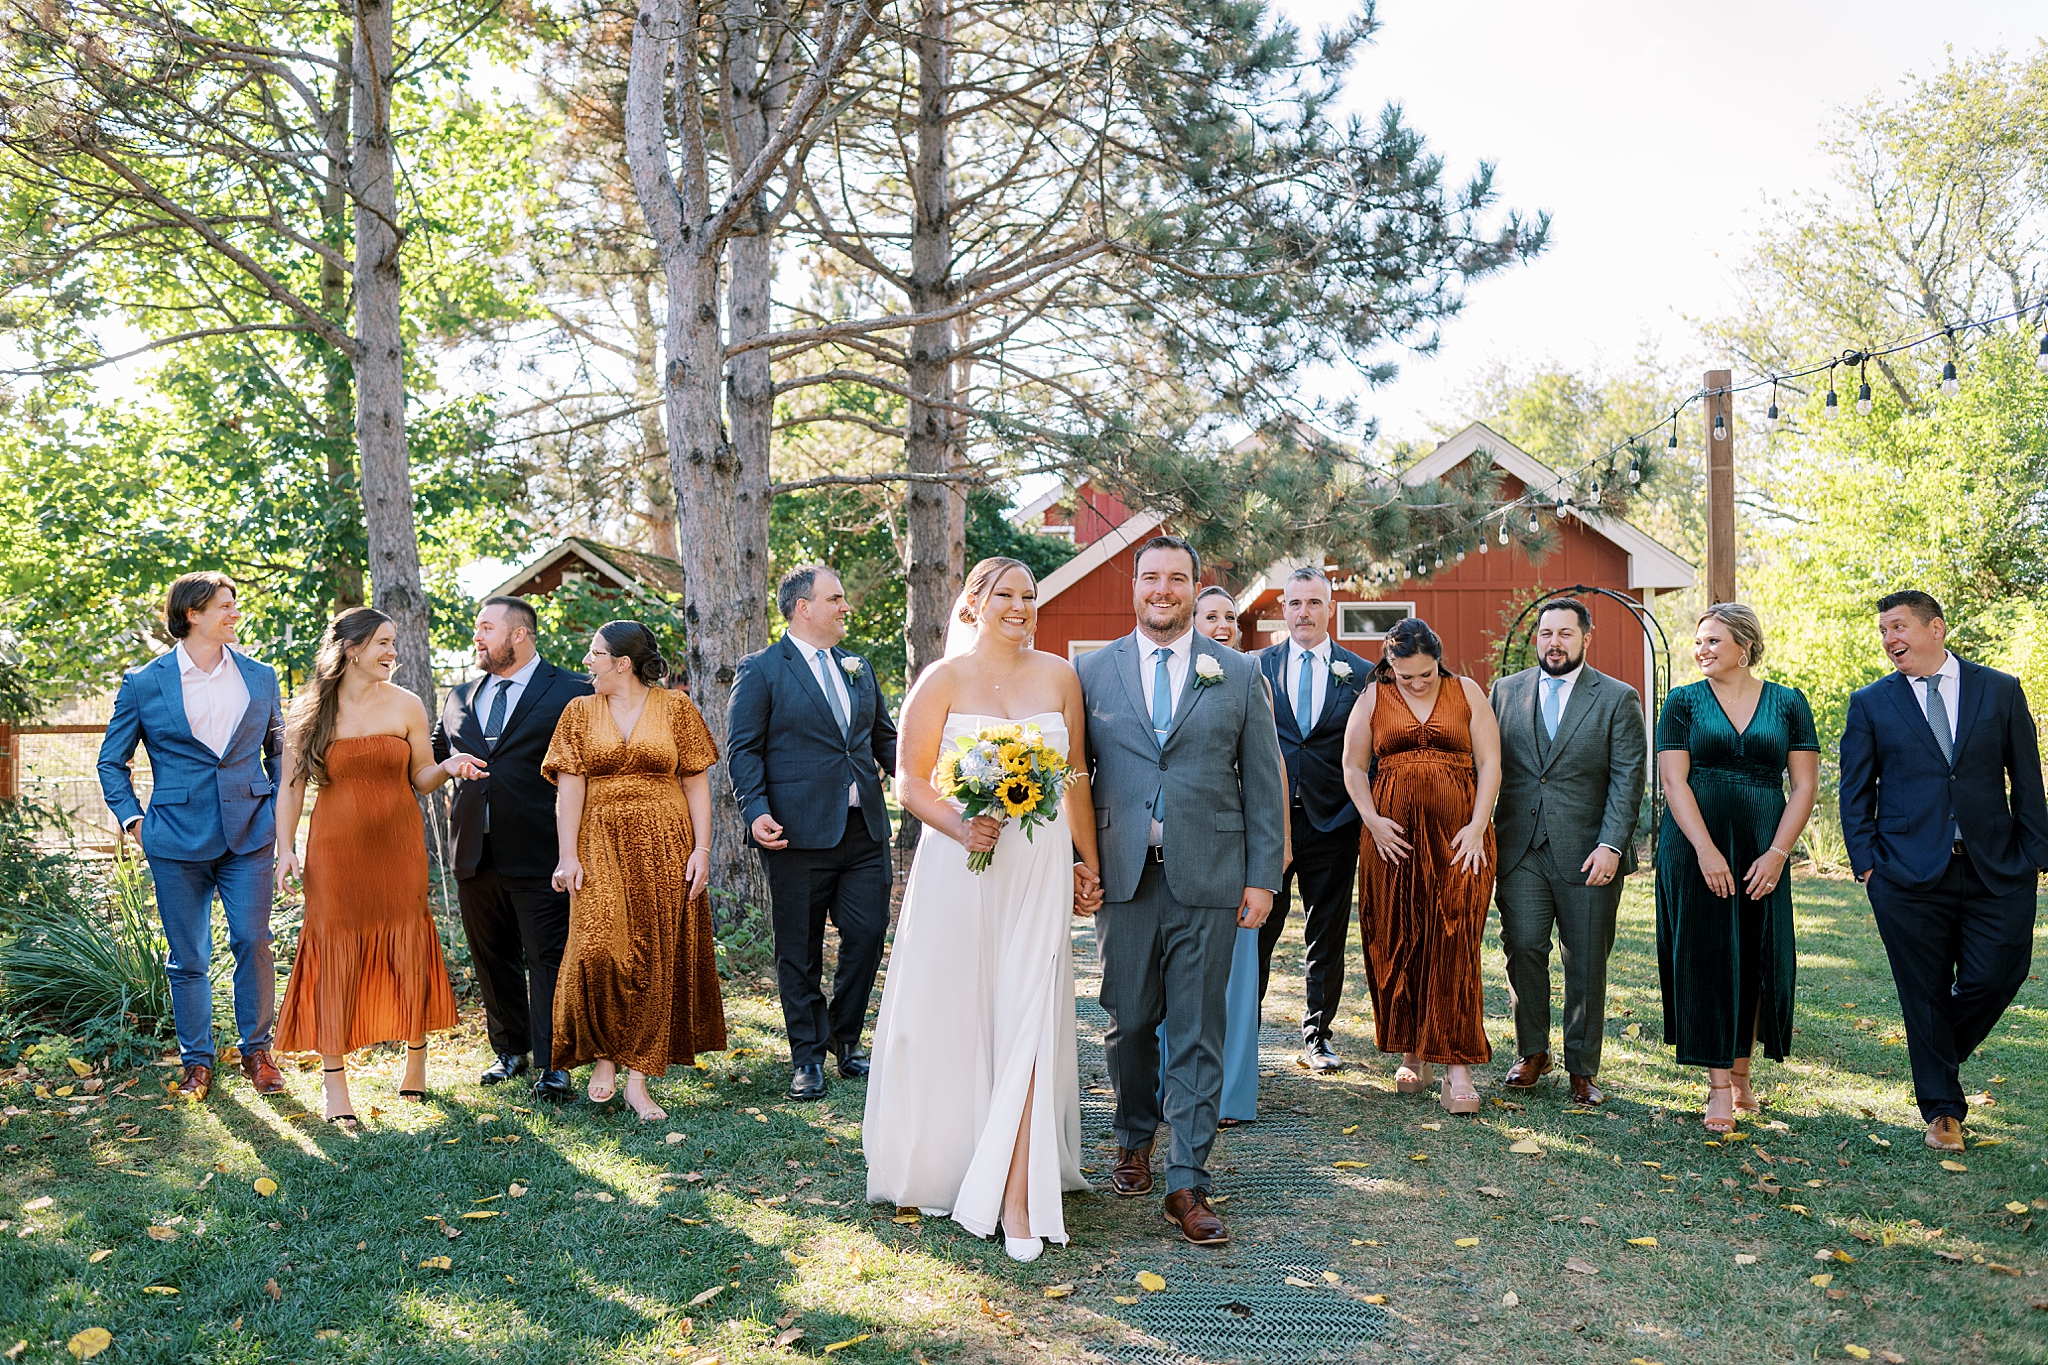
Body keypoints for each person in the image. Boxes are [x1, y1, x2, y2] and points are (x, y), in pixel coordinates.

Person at [864, 558, 1099, 1262]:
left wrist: (1088, 862)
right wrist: (960, 825)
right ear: (974, 603)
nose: (1021, 606)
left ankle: (1019, 1195)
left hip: (1038, 865)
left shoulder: (1060, 676)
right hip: (960, 867)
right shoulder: (941, 679)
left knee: (1028, 1012)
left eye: (1030, 596)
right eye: (1006, 595)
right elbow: (909, 781)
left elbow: (1076, 777)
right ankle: (957, 1159)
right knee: (961, 1011)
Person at [1078, 535, 1286, 1247]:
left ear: (1196, 589)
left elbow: (1263, 781)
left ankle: (1186, 1179)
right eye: (1150, 577)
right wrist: (1077, 861)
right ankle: (1133, 1136)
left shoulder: (1238, 671)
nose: (1162, 589)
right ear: (1134, 586)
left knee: (1199, 1028)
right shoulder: (1091, 670)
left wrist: (1262, 877)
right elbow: (1075, 776)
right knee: (1130, 1021)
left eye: (1176, 578)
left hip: (1211, 875)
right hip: (1124, 876)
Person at [1839, 591, 2047, 1152]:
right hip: (1904, 874)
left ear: (1936, 628)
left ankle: (1934, 1056)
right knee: (1923, 990)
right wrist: (1868, 867)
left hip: (1996, 867)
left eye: (1899, 627)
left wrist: (2036, 855)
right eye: (1883, 631)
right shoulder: (1870, 703)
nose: (1890, 639)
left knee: (1998, 974)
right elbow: (1855, 792)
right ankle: (1942, 1112)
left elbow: (2027, 778)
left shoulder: (1999, 689)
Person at [272, 609, 476, 1124]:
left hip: (399, 849)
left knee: (407, 947)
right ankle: (335, 1088)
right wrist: (285, 849)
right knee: (333, 954)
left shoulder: (407, 704)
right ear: (351, 649)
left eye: (393, 642)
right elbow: (290, 788)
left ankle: (416, 1060)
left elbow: (421, 777)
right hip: (335, 853)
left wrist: (448, 767)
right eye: (383, 642)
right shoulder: (310, 710)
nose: (392, 652)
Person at [97, 572, 287, 1102]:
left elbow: (280, 754)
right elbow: (112, 761)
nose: (234, 613)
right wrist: (134, 821)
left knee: (253, 941)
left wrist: (277, 816)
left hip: (250, 832)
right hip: (174, 839)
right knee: (188, 958)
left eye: (234, 604)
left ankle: (257, 1053)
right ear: (192, 614)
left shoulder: (260, 677)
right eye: (224, 606)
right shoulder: (144, 682)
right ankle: (197, 1062)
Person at [727, 564, 898, 1102]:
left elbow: (884, 740)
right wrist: (755, 810)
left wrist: (939, 782)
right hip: (794, 835)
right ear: (803, 607)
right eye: (836, 598)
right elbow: (743, 750)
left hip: (865, 830)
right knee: (798, 949)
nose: (846, 607)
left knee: (867, 936)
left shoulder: (859, 668)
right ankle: (807, 1055)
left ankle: (845, 1039)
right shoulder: (761, 670)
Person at [545, 622, 727, 1121]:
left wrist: (702, 849)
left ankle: (637, 1080)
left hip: (666, 842)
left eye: (595, 653)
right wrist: (567, 855)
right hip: (598, 840)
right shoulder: (578, 711)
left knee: (654, 955)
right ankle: (605, 1053)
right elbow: (569, 789)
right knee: (598, 948)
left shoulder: (676, 708)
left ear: (622, 663)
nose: (587, 661)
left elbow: (696, 783)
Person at [1654, 604, 1820, 1134]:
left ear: (1744, 647)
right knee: (1707, 956)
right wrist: (1705, 850)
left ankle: (1743, 1074)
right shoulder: (1682, 702)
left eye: (1713, 641)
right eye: (1698, 641)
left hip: (1764, 843)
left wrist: (1777, 853)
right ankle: (1718, 1087)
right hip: (1695, 843)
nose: (1700, 649)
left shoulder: (1789, 703)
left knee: (1757, 954)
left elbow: (1805, 786)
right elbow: (1674, 782)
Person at [432, 596, 593, 1103]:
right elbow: (434, 758)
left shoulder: (573, 690)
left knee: (548, 958)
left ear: (519, 634)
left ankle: (554, 1062)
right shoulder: (459, 696)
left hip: (543, 850)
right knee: (492, 956)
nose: (477, 637)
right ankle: (509, 1050)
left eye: (486, 627)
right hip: (473, 852)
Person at [1340, 617, 1500, 1116]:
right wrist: (1372, 821)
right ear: (1390, 666)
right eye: (1404, 675)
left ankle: (1458, 1068)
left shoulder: (1467, 691)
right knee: (1400, 938)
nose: (1414, 683)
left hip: (1461, 841)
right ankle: (1413, 1051)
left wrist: (1478, 826)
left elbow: (1490, 763)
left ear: (1439, 660)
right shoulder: (1373, 696)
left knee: (1455, 943)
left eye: (1424, 674)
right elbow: (1352, 766)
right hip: (1393, 843)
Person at [1490, 598, 1647, 1105]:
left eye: (1565, 634)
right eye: (1546, 633)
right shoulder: (1505, 691)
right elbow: (1487, 765)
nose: (1554, 643)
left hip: (1589, 853)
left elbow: (1628, 779)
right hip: (1520, 849)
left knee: (1585, 961)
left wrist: (1611, 846)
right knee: (1523, 948)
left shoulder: (1617, 698)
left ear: (1585, 638)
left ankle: (1582, 1067)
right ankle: (1533, 1051)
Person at [1255, 568, 1370, 1072]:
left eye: (1314, 603)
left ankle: (1318, 1036)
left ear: (1330, 608)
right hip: (1268, 824)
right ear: (1284, 608)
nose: (1304, 613)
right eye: (1295, 603)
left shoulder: (1360, 673)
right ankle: (1244, 1033)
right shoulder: (1254, 667)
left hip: (1334, 822)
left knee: (1326, 934)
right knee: (1258, 930)